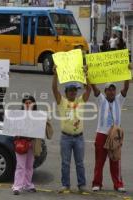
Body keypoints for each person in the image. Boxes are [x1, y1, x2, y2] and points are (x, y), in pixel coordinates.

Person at [90, 68, 130, 192]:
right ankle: (97, 183)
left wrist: (128, 72)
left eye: (113, 89)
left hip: (115, 135)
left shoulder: (119, 100)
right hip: (102, 134)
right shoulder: (101, 99)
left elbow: (126, 88)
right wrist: (89, 75)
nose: (112, 91)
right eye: (109, 89)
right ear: (105, 91)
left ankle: (118, 184)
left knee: (115, 160)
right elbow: (94, 88)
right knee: (99, 161)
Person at [52, 65, 91, 193]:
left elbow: (89, 90)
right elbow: (54, 89)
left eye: (75, 90)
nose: (73, 92)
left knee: (80, 163)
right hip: (66, 138)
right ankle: (65, 185)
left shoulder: (81, 101)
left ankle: (82, 185)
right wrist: (55, 75)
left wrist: (86, 75)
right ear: (66, 92)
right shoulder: (62, 102)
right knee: (65, 163)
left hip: (79, 138)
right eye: (71, 90)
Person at [12, 95, 37, 195]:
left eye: (29, 102)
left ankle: (27, 184)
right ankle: (17, 186)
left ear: (33, 104)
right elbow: (13, 129)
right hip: (21, 143)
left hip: (32, 143)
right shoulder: (18, 115)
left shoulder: (37, 116)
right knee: (21, 166)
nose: (27, 104)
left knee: (29, 166)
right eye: (26, 103)